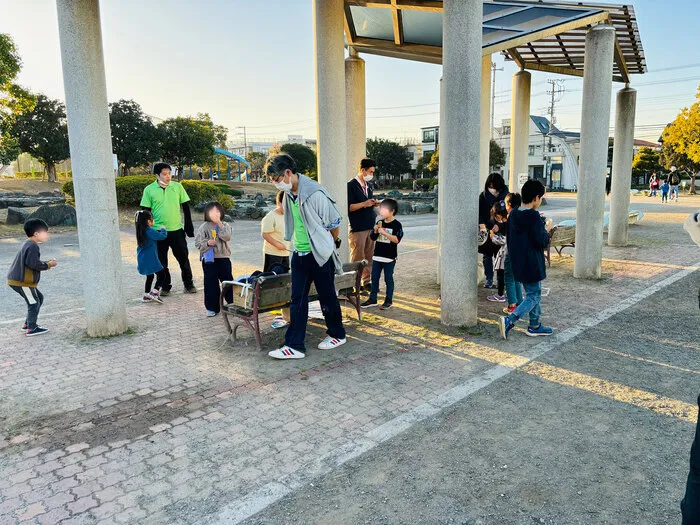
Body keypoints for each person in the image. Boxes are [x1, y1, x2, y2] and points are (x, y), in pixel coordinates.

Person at [264, 153, 346, 360]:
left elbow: (335, 222)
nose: (275, 184)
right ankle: (294, 346)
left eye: (276, 179)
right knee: (297, 299)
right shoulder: (287, 194)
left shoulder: (314, 193)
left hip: (318, 253)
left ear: (288, 173)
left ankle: (337, 334)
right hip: (299, 253)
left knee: (327, 295)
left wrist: (330, 244)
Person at [498, 180, 553, 339]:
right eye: (541, 197)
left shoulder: (513, 213)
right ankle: (510, 320)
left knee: (533, 292)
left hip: (519, 262)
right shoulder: (534, 216)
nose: (541, 200)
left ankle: (534, 325)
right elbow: (542, 241)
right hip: (532, 262)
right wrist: (546, 229)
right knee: (534, 295)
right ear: (536, 197)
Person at [140, 163, 196, 295]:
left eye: (169, 173)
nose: (168, 176)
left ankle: (188, 284)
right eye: (164, 174)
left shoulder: (177, 187)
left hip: (176, 230)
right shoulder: (149, 189)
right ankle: (165, 286)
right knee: (161, 261)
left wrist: (188, 225)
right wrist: (145, 231)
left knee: (183, 259)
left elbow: (186, 207)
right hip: (158, 232)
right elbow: (145, 211)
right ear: (157, 175)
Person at [7, 218, 57, 336]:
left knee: (38, 297)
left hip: (20, 281)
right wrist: (49, 264)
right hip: (22, 282)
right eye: (45, 232)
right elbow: (34, 264)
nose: (46, 235)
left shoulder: (28, 243)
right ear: (36, 234)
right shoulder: (33, 246)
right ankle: (32, 328)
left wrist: (46, 262)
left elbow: (32, 261)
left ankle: (28, 323)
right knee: (34, 303)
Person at [361, 198, 404, 310]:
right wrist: (375, 231)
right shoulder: (379, 222)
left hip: (389, 258)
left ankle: (388, 300)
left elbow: (396, 240)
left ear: (392, 211)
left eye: (384, 210)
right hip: (377, 256)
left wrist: (384, 233)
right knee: (374, 278)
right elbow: (373, 238)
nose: (381, 212)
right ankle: (373, 299)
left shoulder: (397, 225)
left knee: (388, 279)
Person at [194, 202, 233, 317]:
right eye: (212, 212)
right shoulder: (204, 227)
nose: (215, 214)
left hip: (223, 258)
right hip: (209, 260)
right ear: (207, 213)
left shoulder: (225, 225)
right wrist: (207, 243)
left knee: (228, 282)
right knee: (210, 283)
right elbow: (197, 243)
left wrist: (220, 223)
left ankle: (232, 303)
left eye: (217, 211)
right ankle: (212, 308)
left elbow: (227, 236)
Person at [348, 158, 379, 290]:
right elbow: (349, 207)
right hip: (358, 227)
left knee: (369, 256)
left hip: (370, 226)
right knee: (357, 256)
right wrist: (364, 204)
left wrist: (374, 204)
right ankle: (353, 282)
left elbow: (367, 203)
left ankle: (366, 281)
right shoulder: (351, 185)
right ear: (363, 170)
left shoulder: (368, 186)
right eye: (370, 172)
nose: (371, 175)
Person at [261, 190, 291, 329]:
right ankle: (269, 304)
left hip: (285, 254)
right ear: (278, 203)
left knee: (285, 282)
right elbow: (265, 234)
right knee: (272, 281)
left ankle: (285, 311)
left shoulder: (289, 216)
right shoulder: (270, 216)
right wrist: (277, 244)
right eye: (285, 204)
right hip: (273, 254)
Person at [479, 172, 509, 289]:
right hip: (487, 230)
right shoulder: (483, 196)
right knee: (487, 256)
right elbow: (480, 213)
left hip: (501, 231)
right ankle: (489, 279)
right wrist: (483, 226)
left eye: (494, 187)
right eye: (490, 186)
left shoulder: (506, 197)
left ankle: (501, 281)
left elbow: (508, 215)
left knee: (500, 256)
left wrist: (500, 225)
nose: (492, 189)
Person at [135, 209, 167, 304]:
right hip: (150, 259)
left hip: (142, 258)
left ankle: (146, 296)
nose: (153, 221)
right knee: (162, 274)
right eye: (152, 219)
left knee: (150, 276)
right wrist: (163, 229)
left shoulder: (140, 231)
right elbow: (161, 236)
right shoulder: (149, 231)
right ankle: (154, 292)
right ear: (148, 221)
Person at [502, 193, 523, 314]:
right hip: (520, 253)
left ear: (509, 205)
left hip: (511, 253)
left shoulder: (511, 217)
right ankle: (520, 303)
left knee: (509, 278)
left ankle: (512, 305)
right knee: (517, 279)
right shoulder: (521, 216)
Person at [487, 201, 509, 304]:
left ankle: (500, 295)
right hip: (509, 254)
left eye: (496, 216)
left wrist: (493, 236)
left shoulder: (506, 224)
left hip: (505, 254)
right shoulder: (508, 222)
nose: (496, 219)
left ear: (499, 215)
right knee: (508, 276)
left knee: (501, 274)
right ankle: (508, 294)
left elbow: (504, 240)